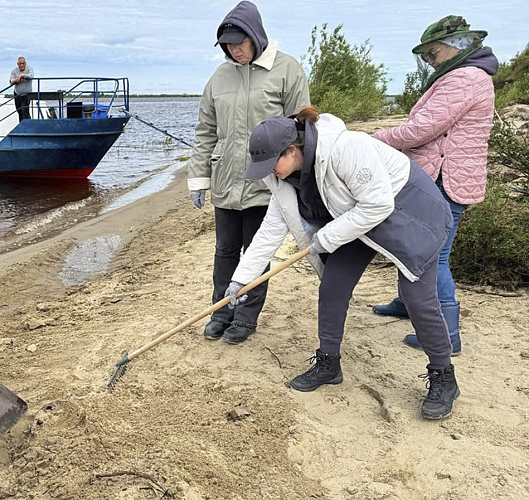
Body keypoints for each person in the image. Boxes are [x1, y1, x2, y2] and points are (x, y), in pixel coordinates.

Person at [225, 108, 460, 419]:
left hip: (409, 209)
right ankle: (328, 363)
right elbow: (271, 229)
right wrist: (242, 278)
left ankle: (444, 375)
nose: (270, 172)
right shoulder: (280, 178)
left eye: (272, 164)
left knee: (418, 298)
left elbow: (377, 204)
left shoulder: (346, 148)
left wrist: (324, 239)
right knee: (334, 285)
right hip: (354, 216)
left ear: (292, 150)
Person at [370, 15, 498, 356]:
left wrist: (372, 140)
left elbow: (419, 131)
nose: (429, 60)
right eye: (425, 55)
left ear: (456, 46)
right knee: (412, 247)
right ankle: (407, 303)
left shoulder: (464, 78)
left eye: (432, 52)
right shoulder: (466, 75)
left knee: (433, 256)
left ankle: (447, 334)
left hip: (444, 179)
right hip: (444, 176)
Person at [188, 1, 310, 344]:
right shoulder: (218, 77)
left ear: (255, 36)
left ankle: (245, 318)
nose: (234, 50)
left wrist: (297, 181)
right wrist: (198, 177)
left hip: (268, 180)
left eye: (239, 42)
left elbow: (300, 130)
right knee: (225, 250)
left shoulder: (287, 70)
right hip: (226, 180)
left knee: (256, 251)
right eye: (228, 45)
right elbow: (205, 132)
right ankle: (220, 312)